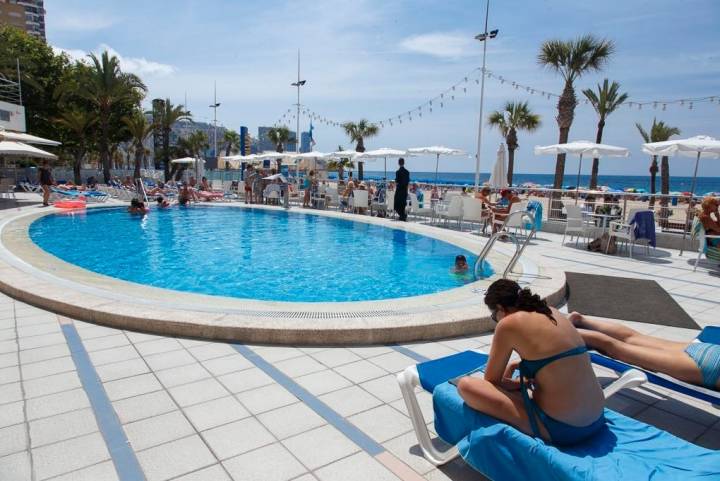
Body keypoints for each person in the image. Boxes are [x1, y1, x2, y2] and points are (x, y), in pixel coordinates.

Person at [457, 279, 605, 445]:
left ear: (500, 308)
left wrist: (514, 383)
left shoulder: (508, 324)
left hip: (564, 429)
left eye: (494, 316)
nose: (496, 320)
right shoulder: (552, 312)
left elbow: (492, 381)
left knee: (466, 385)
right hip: (597, 417)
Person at [569, 313, 720, 389]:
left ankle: (581, 320)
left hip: (711, 350)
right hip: (709, 370)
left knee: (634, 338)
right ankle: (565, 331)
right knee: (616, 348)